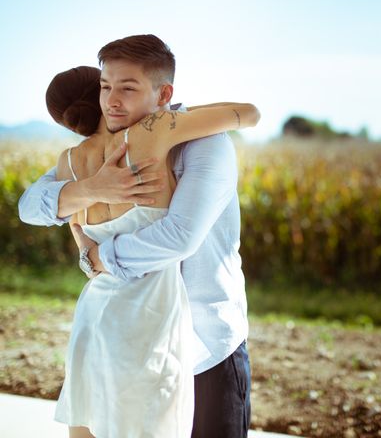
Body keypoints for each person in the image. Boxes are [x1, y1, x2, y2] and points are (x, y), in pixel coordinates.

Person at [18, 35, 258, 438]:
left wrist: (97, 259)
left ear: (164, 93)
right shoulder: (96, 159)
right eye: (105, 87)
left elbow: (179, 237)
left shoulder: (204, 144)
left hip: (206, 344)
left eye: (127, 88)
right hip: (120, 332)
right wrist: (95, 188)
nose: (112, 100)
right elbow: (30, 206)